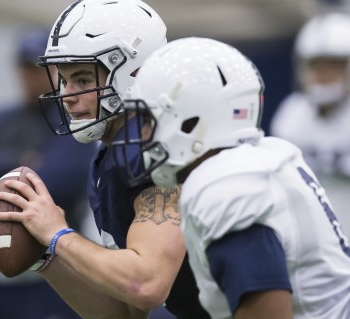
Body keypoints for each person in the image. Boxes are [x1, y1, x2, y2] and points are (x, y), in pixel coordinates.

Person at [0, 0, 209, 318]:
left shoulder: (157, 149)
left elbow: (147, 284)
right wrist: (43, 254)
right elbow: (125, 312)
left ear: (133, 73)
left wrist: (58, 234)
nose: (69, 96)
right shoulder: (110, 156)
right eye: (64, 80)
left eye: (82, 79)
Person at [112, 36, 350, 318]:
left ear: (190, 120)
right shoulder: (269, 153)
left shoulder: (224, 184)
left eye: (149, 120)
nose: (142, 135)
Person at [0, 28, 96, 319]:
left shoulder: (71, 122)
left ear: (54, 70)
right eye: (24, 68)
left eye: (37, 68)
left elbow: (60, 178)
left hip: (52, 276)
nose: (30, 77)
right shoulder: (0, 120)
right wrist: (18, 162)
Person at [270, 12, 350, 233]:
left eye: (334, 65)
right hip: (310, 236)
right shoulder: (292, 114)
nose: (323, 75)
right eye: (316, 66)